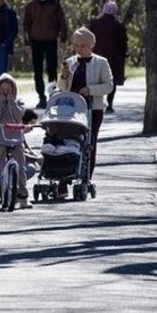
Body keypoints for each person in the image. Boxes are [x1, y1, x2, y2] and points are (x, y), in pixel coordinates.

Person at [57, 27, 113, 195]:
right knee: (67, 141)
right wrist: (64, 76)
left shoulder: (101, 62)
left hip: (93, 108)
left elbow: (109, 86)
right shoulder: (70, 62)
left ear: (91, 45)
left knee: (89, 143)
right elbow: (61, 87)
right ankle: (63, 179)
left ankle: (86, 177)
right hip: (71, 109)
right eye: (76, 45)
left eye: (83, 45)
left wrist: (90, 89)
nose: (79, 49)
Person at [0, 73, 32, 210]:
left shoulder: (19, 103)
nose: (5, 91)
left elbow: (18, 116)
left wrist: (11, 101)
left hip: (16, 139)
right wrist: (0, 101)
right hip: (1, 139)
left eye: (8, 88)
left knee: (21, 167)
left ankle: (23, 197)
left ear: (13, 88)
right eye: (3, 89)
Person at [23, 0, 68, 108]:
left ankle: (53, 95)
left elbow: (62, 21)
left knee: (52, 70)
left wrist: (63, 39)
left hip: (51, 40)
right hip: (36, 41)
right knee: (37, 72)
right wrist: (27, 43)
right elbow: (26, 25)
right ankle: (41, 97)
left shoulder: (54, 4)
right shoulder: (31, 6)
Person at [0, 108, 42, 187]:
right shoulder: (12, 135)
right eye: (31, 125)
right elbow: (18, 154)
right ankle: (14, 188)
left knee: (25, 162)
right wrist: (37, 159)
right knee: (30, 168)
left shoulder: (14, 132)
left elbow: (28, 149)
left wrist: (37, 156)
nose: (32, 129)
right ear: (23, 123)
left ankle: (11, 188)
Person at [88, 1, 128, 113]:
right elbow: (123, 42)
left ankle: (95, 103)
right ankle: (109, 104)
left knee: (96, 79)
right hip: (113, 58)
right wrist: (124, 53)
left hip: (96, 55)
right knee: (111, 80)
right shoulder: (118, 26)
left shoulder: (94, 24)